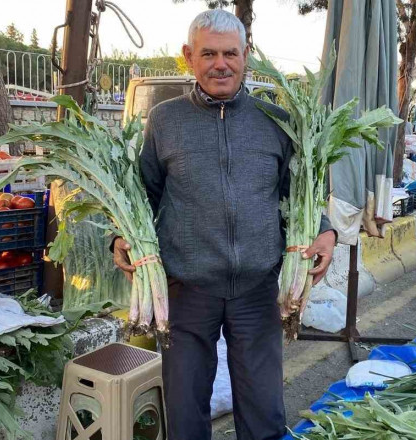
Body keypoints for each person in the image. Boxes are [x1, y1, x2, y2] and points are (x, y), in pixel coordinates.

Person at [111, 11, 337, 440]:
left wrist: (326, 230)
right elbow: (142, 192)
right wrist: (119, 236)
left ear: (245, 55)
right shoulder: (165, 120)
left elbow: (299, 193)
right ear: (188, 58)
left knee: (264, 410)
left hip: (258, 287)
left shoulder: (276, 121)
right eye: (209, 53)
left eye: (230, 53)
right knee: (184, 410)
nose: (221, 64)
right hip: (186, 287)